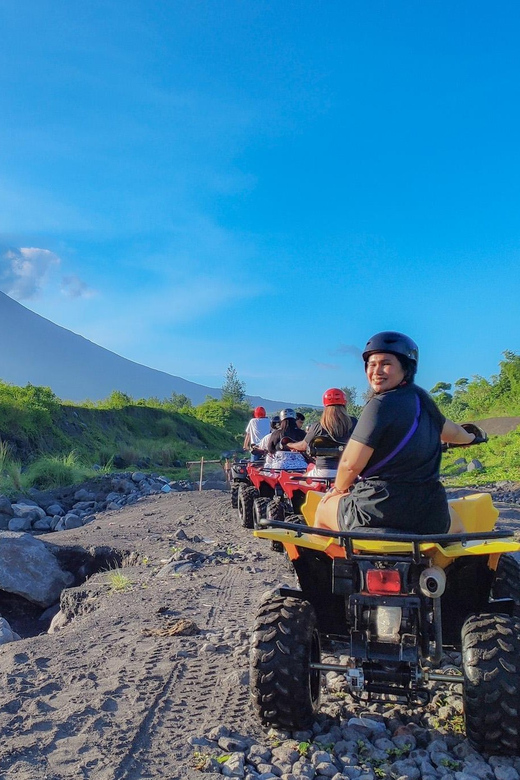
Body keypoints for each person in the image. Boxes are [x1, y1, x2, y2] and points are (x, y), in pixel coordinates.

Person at [315, 332, 484, 535]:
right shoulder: (424, 401)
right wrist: (472, 438)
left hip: (375, 511)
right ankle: (438, 567)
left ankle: (331, 565)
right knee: (457, 528)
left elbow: (350, 464)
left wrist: (338, 490)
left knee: (323, 509)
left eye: (386, 363)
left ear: (406, 367)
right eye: (371, 364)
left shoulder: (378, 404)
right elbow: (455, 432)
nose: (376, 371)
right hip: (429, 514)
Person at [287, 388, 357, 477]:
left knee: (296, 481)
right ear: (345, 403)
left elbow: (303, 446)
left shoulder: (318, 426)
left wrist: (290, 444)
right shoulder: (354, 422)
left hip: (323, 472)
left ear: (325, 405)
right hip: (347, 472)